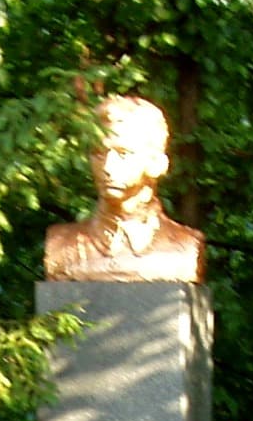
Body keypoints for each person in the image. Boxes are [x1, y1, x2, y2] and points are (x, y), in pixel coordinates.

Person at [44, 94, 204, 283]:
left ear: (156, 163)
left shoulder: (184, 249)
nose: (107, 167)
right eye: (98, 154)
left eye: (123, 154)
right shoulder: (61, 246)